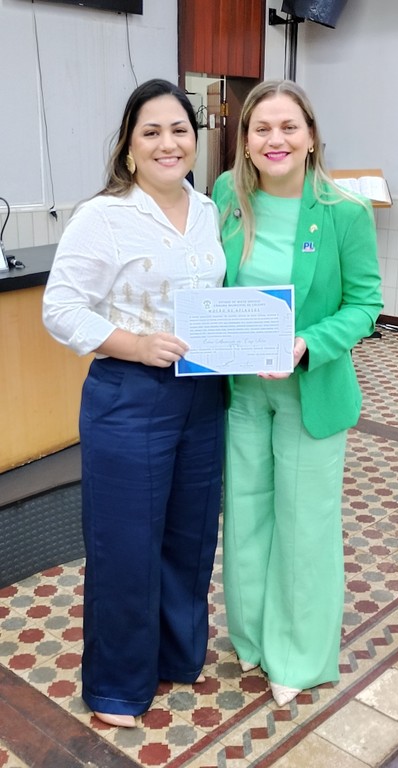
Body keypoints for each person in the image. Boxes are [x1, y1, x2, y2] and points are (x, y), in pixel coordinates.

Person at [43, 79, 226, 728]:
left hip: (203, 393)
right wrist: (136, 344)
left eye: (179, 130)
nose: (167, 143)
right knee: (125, 544)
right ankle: (118, 686)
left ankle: (176, 655)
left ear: (195, 141)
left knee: (190, 535)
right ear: (128, 147)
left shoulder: (209, 209)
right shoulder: (104, 216)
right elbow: (60, 309)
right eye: (151, 132)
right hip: (129, 396)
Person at [212, 79, 383, 707]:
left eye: (289, 127)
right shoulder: (226, 195)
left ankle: (298, 656)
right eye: (261, 128)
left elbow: (365, 304)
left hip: (310, 391)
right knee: (246, 517)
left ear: (311, 136)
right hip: (241, 390)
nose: (275, 139)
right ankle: (253, 638)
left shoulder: (344, 212)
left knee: (303, 523)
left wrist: (306, 343)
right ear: (245, 140)